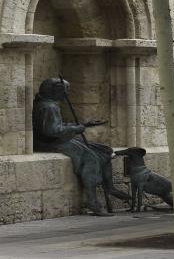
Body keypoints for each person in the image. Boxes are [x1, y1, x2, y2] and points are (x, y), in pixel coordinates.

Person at [32, 77, 130, 216]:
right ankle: (93, 202)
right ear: (56, 91)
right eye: (66, 90)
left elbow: (57, 126)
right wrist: (76, 129)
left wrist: (83, 125)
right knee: (91, 158)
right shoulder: (49, 106)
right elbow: (51, 130)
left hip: (57, 140)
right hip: (50, 143)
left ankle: (110, 187)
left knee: (104, 150)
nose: (67, 94)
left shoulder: (49, 104)